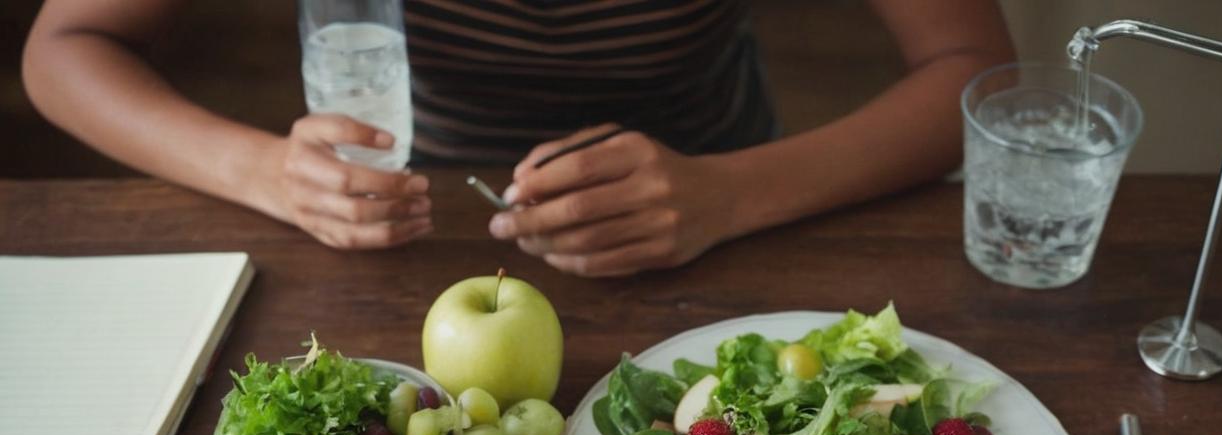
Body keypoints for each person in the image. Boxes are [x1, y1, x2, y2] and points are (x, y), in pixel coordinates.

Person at [22, 0, 1014, 277]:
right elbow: (66, 46)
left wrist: (727, 194)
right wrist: (269, 175)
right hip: (412, 230)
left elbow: (973, 65)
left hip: (728, 213)